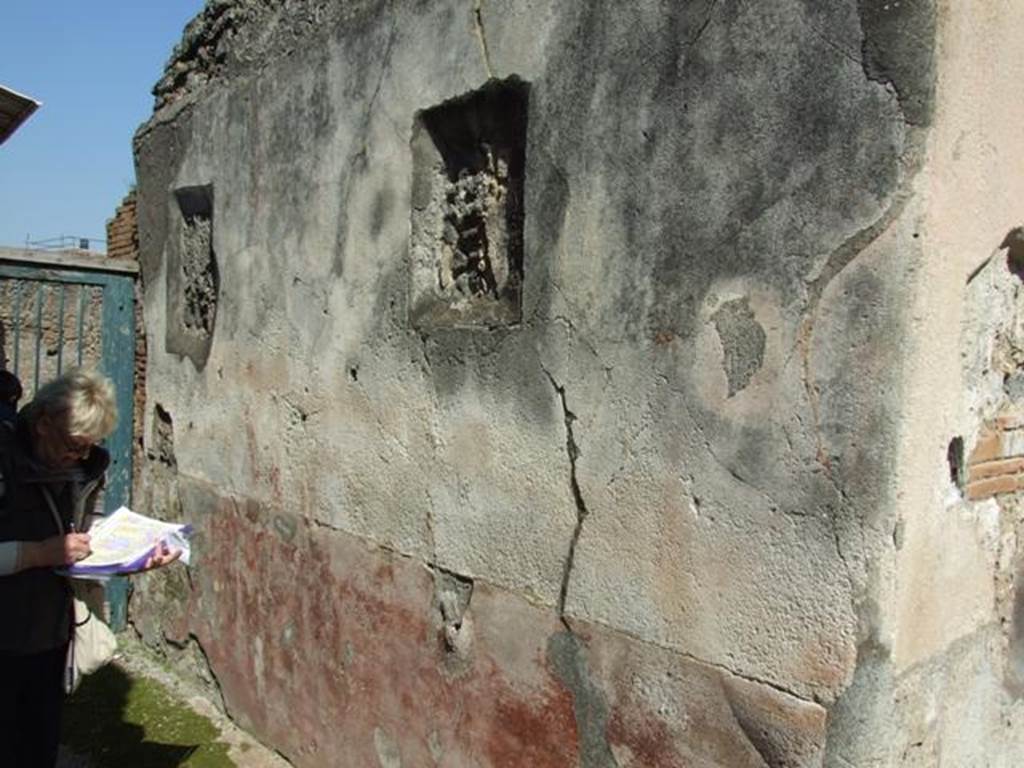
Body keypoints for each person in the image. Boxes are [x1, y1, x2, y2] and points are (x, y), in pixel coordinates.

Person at [0, 369, 178, 767]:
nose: (79, 457)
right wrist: (37, 554)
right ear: (44, 423)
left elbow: (80, 536)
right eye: (73, 446)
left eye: (88, 447)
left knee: (37, 746)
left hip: (47, 632)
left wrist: (132, 557)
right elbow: (52, 547)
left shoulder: (83, 467)